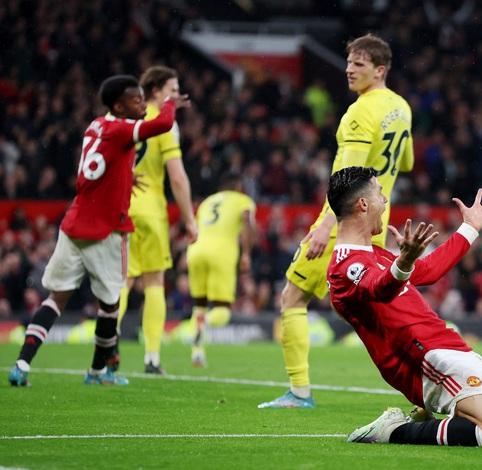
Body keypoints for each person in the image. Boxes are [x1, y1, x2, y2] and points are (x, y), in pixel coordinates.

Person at [326, 166, 482, 446]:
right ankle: (393, 430)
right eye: (379, 193)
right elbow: (379, 288)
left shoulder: (375, 253)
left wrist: (471, 227)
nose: (385, 200)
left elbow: (430, 270)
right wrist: (402, 263)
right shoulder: (343, 267)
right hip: (426, 359)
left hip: (453, 347)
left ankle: (457, 418)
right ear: (363, 204)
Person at [259, 33, 414, 409]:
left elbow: (349, 175)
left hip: (347, 219)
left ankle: (299, 392)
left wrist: (326, 227)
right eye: (348, 62)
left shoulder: (361, 111)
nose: (349, 69)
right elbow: (406, 162)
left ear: (379, 70)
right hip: (379, 217)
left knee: (293, 296)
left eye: (358, 64)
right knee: (379, 310)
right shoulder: (402, 107)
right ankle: (424, 382)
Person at [8, 75, 189, 386]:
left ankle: (21, 365)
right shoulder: (122, 128)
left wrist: (122, 179)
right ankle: (98, 372)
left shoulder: (95, 126)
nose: (143, 104)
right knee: (110, 305)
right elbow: (161, 125)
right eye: (137, 100)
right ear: (119, 106)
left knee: (56, 298)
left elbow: (100, 165)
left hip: (74, 223)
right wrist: (169, 103)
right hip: (105, 230)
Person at [116, 65, 198, 374]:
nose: (177, 97)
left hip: (123, 208)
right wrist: (189, 219)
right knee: (153, 282)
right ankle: (151, 357)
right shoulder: (165, 123)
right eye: (172, 91)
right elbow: (177, 177)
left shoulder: (126, 118)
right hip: (150, 211)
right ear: (155, 91)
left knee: (122, 281)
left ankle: (106, 352)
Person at [186, 172, 256, 367]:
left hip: (195, 251)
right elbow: (247, 222)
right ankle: (204, 323)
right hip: (222, 253)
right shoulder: (243, 200)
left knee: (198, 305)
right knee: (221, 312)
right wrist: (246, 254)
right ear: (238, 187)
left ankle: (197, 353)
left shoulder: (207, 202)